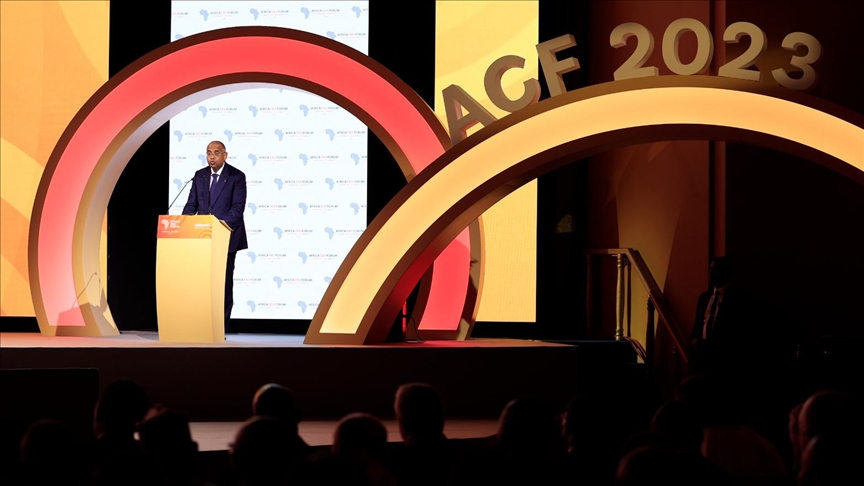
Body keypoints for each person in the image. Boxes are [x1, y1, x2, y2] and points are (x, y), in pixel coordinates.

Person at [182, 140, 248, 334]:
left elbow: (237, 209)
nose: (212, 156)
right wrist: (183, 223)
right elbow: (191, 205)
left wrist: (217, 227)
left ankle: (220, 328)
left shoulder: (236, 176)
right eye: (209, 152)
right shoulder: (199, 175)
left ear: (225, 155)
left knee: (223, 285)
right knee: (202, 285)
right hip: (201, 240)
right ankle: (201, 325)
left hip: (225, 239)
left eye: (216, 153)